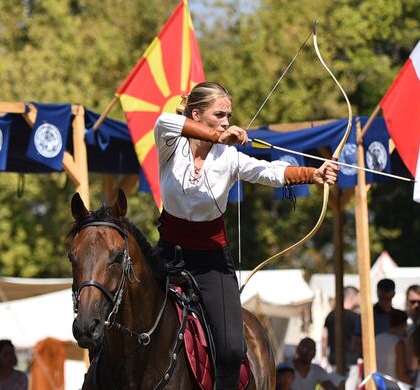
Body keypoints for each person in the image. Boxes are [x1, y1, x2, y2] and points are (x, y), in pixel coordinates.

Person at [153, 81, 339, 389]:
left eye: (228, 116)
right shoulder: (170, 143)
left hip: (211, 262)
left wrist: (312, 174)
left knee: (230, 348)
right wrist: (218, 136)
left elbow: (268, 172)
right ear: (196, 114)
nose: (227, 121)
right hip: (167, 255)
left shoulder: (228, 158)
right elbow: (164, 120)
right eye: (219, 114)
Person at [321, 286, 360, 372]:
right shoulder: (356, 318)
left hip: (334, 360)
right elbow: (358, 340)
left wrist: (324, 356)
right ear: (352, 297)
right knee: (350, 385)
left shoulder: (331, 315)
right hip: (351, 361)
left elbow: (324, 338)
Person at [353, 278, 395, 355]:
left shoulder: (397, 315)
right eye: (381, 298)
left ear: (393, 294)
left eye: (387, 299)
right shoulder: (366, 316)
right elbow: (356, 343)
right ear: (377, 293)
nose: (384, 302)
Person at [375, 309, 412, 386]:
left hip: (377, 385)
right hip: (392, 386)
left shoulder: (377, 338)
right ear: (404, 324)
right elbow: (401, 374)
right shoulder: (399, 343)